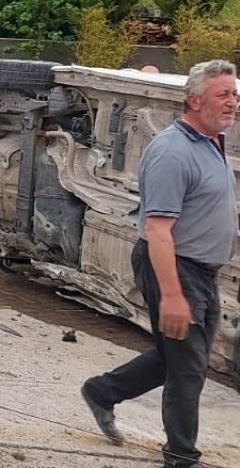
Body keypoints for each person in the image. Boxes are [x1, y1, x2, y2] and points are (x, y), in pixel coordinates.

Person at [81, 60, 237, 468]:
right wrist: (171, 296)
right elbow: (158, 231)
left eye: (234, 94)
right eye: (223, 94)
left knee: (183, 358)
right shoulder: (172, 151)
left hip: (201, 270)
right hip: (173, 265)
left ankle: (102, 391)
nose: (232, 102)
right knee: (188, 370)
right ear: (194, 99)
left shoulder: (211, 141)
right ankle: (181, 457)